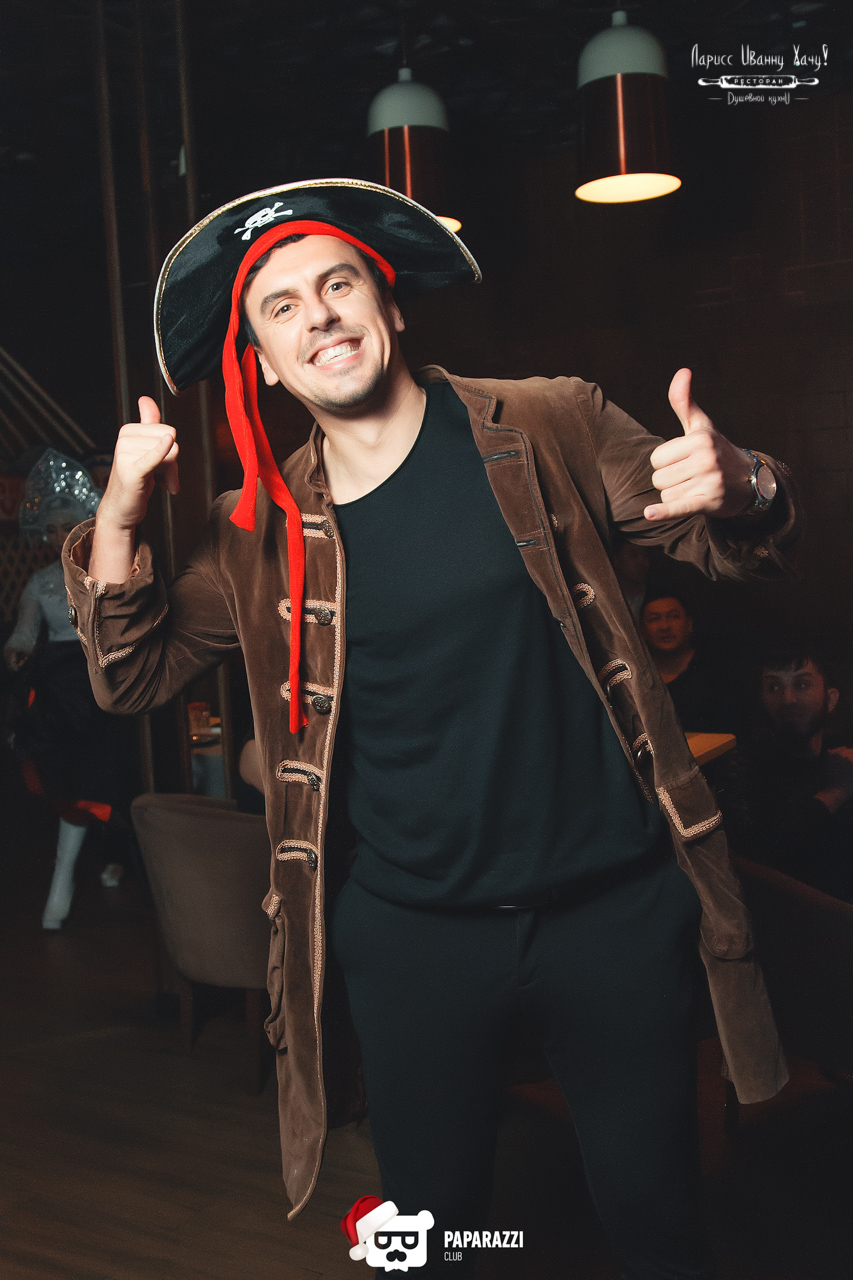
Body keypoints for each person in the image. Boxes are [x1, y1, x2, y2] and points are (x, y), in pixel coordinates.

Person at [62, 181, 800, 1279]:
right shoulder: (255, 532)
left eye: (338, 284)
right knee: (437, 1231)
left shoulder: (548, 422)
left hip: (610, 912)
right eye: (280, 307)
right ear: (264, 363)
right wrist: (120, 515)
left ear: (391, 304)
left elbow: (723, 538)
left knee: (654, 1219)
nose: (318, 316)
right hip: (415, 938)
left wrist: (744, 484)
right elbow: (130, 677)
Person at [5, 450, 131, 927]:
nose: (60, 536)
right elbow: (23, 633)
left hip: (104, 676)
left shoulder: (104, 573)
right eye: (53, 529)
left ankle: (111, 854)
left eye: (68, 527)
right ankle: (65, 874)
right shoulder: (39, 584)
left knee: (108, 769)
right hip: (61, 684)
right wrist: (16, 652)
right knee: (64, 770)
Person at [722, 650, 853, 901]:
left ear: (830, 699)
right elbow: (760, 855)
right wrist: (833, 795)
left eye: (802, 685)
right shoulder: (746, 764)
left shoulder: (842, 752)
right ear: (762, 698)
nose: (788, 699)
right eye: (774, 687)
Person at [641, 592, 739, 733]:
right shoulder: (636, 677)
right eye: (654, 619)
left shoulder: (718, 673)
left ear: (689, 623)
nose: (664, 626)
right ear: (642, 630)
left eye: (674, 616)